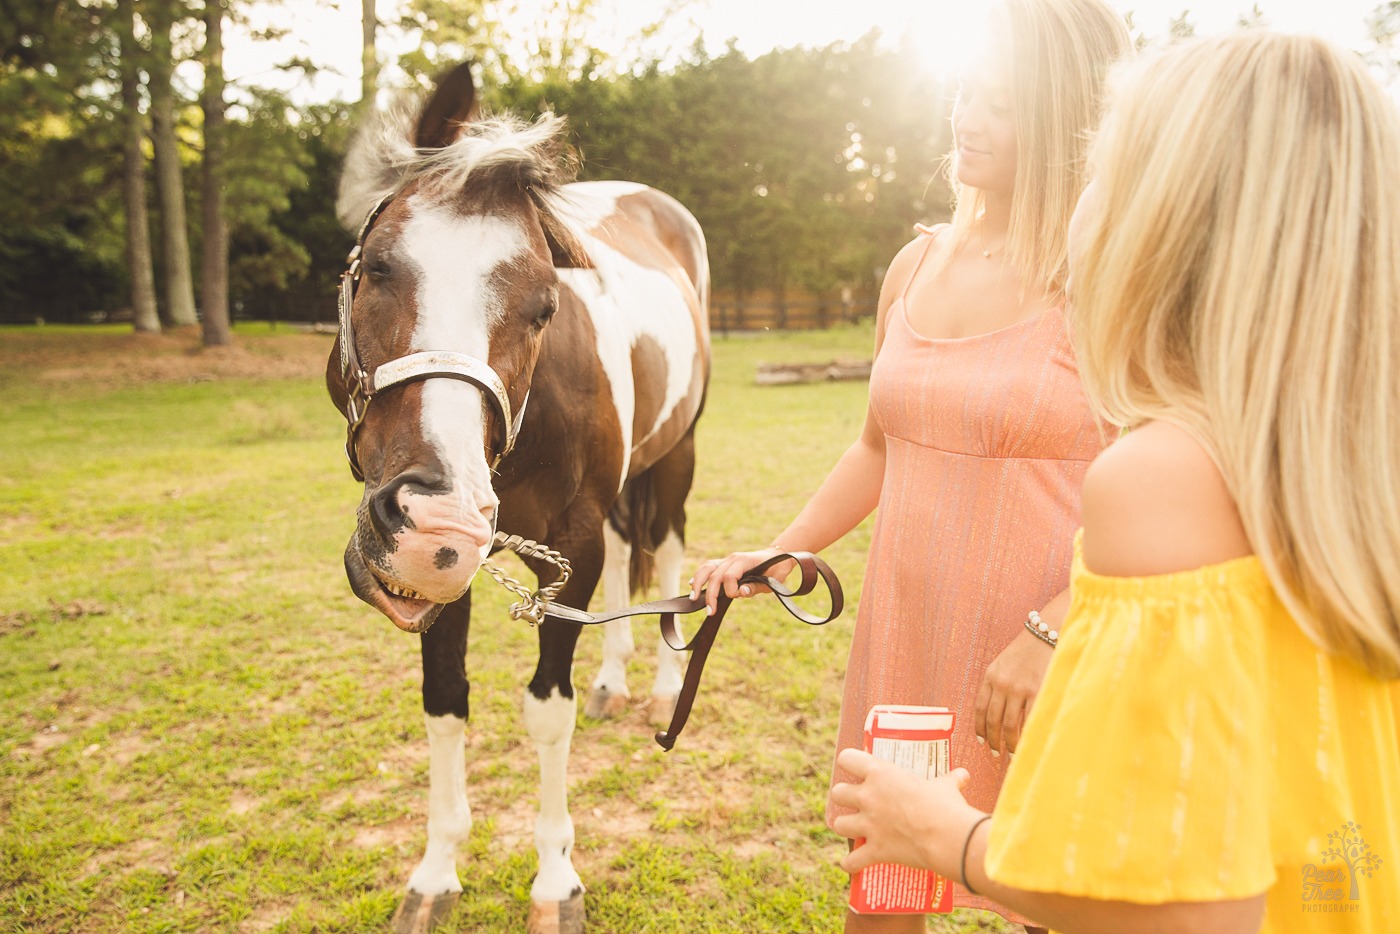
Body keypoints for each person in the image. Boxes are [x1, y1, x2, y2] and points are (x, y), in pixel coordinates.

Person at [828, 30, 1400, 933]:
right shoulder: (1349, 469)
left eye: (1109, 163)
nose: (1081, 194)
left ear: (1160, 214)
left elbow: (1184, 910)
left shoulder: (1161, 482)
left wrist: (953, 838)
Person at [689, 1, 1131, 929]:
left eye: (1002, 105)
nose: (968, 119)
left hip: (1045, 659)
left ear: (1065, 121)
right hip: (906, 642)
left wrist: (1052, 631)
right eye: (965, 92)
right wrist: (778, 553)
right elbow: (876, 447)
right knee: (884, 897)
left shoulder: (1109, 278)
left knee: (1058, 902)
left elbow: (1171, 496)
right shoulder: (915, 263)